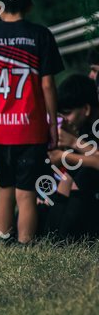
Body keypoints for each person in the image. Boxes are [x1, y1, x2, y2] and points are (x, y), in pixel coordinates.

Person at [0, 0, 63, 244]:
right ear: (30, 5)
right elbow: (48, 85)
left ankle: (1, 240)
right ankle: (25, 243)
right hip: (31, 129)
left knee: (5, 189)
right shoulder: (41, 36)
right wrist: (52, 125)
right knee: (26, 193)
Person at [43, 75, 99, 240]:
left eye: (67, 114)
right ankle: (52, 237)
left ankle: (66, 237)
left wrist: (71, 146)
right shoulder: (85, 126)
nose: (65, 120)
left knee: (84, 175)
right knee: (67, 176)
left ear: (86, 109)